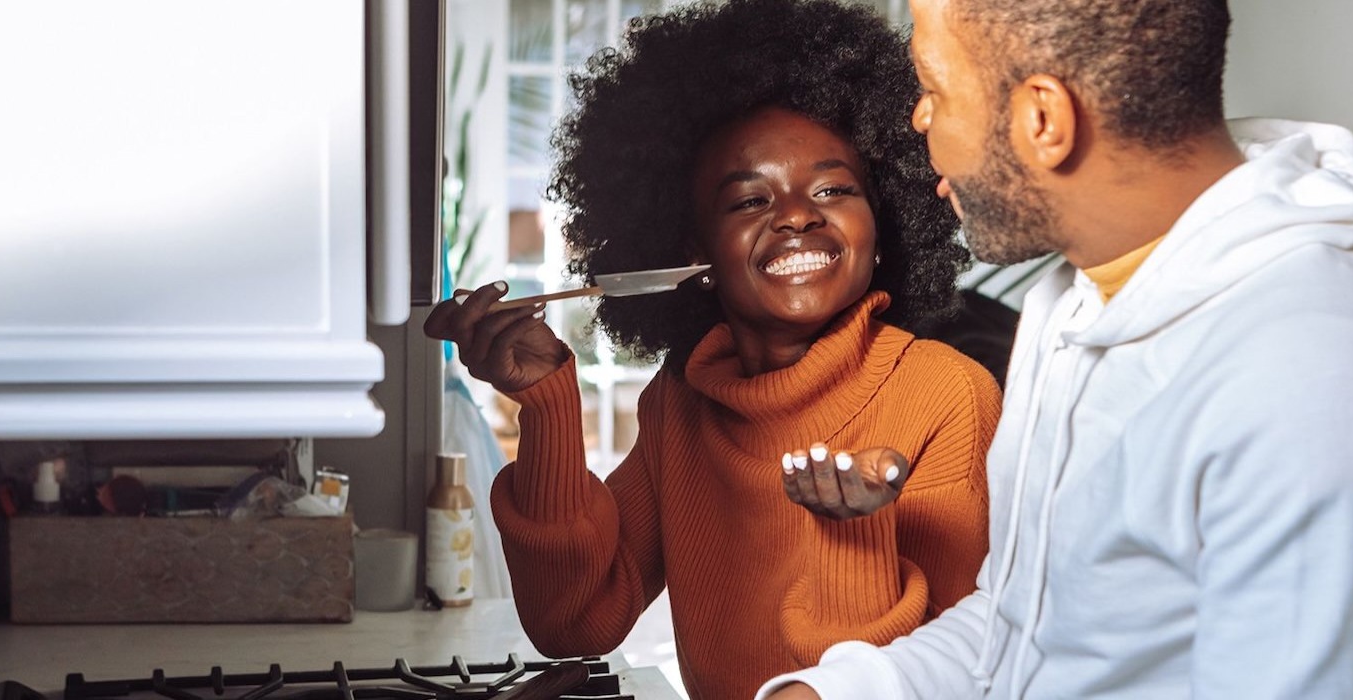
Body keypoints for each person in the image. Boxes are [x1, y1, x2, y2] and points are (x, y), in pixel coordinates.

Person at [760, 0, 1353, 698]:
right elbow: (1031, 629)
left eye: (935, 89)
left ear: (1043, 120)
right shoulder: (1077, 297)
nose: (918, 119)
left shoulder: (1314, 376)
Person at [422, 1, 1001, 698]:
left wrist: (854, 533)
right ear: (693, 251)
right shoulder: (683, 401)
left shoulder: (946, 394)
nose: (797, 214)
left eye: (833, 188)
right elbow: (576, 622)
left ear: (881, 224)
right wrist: (547, 405)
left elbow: (970, 669)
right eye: (750, 201)